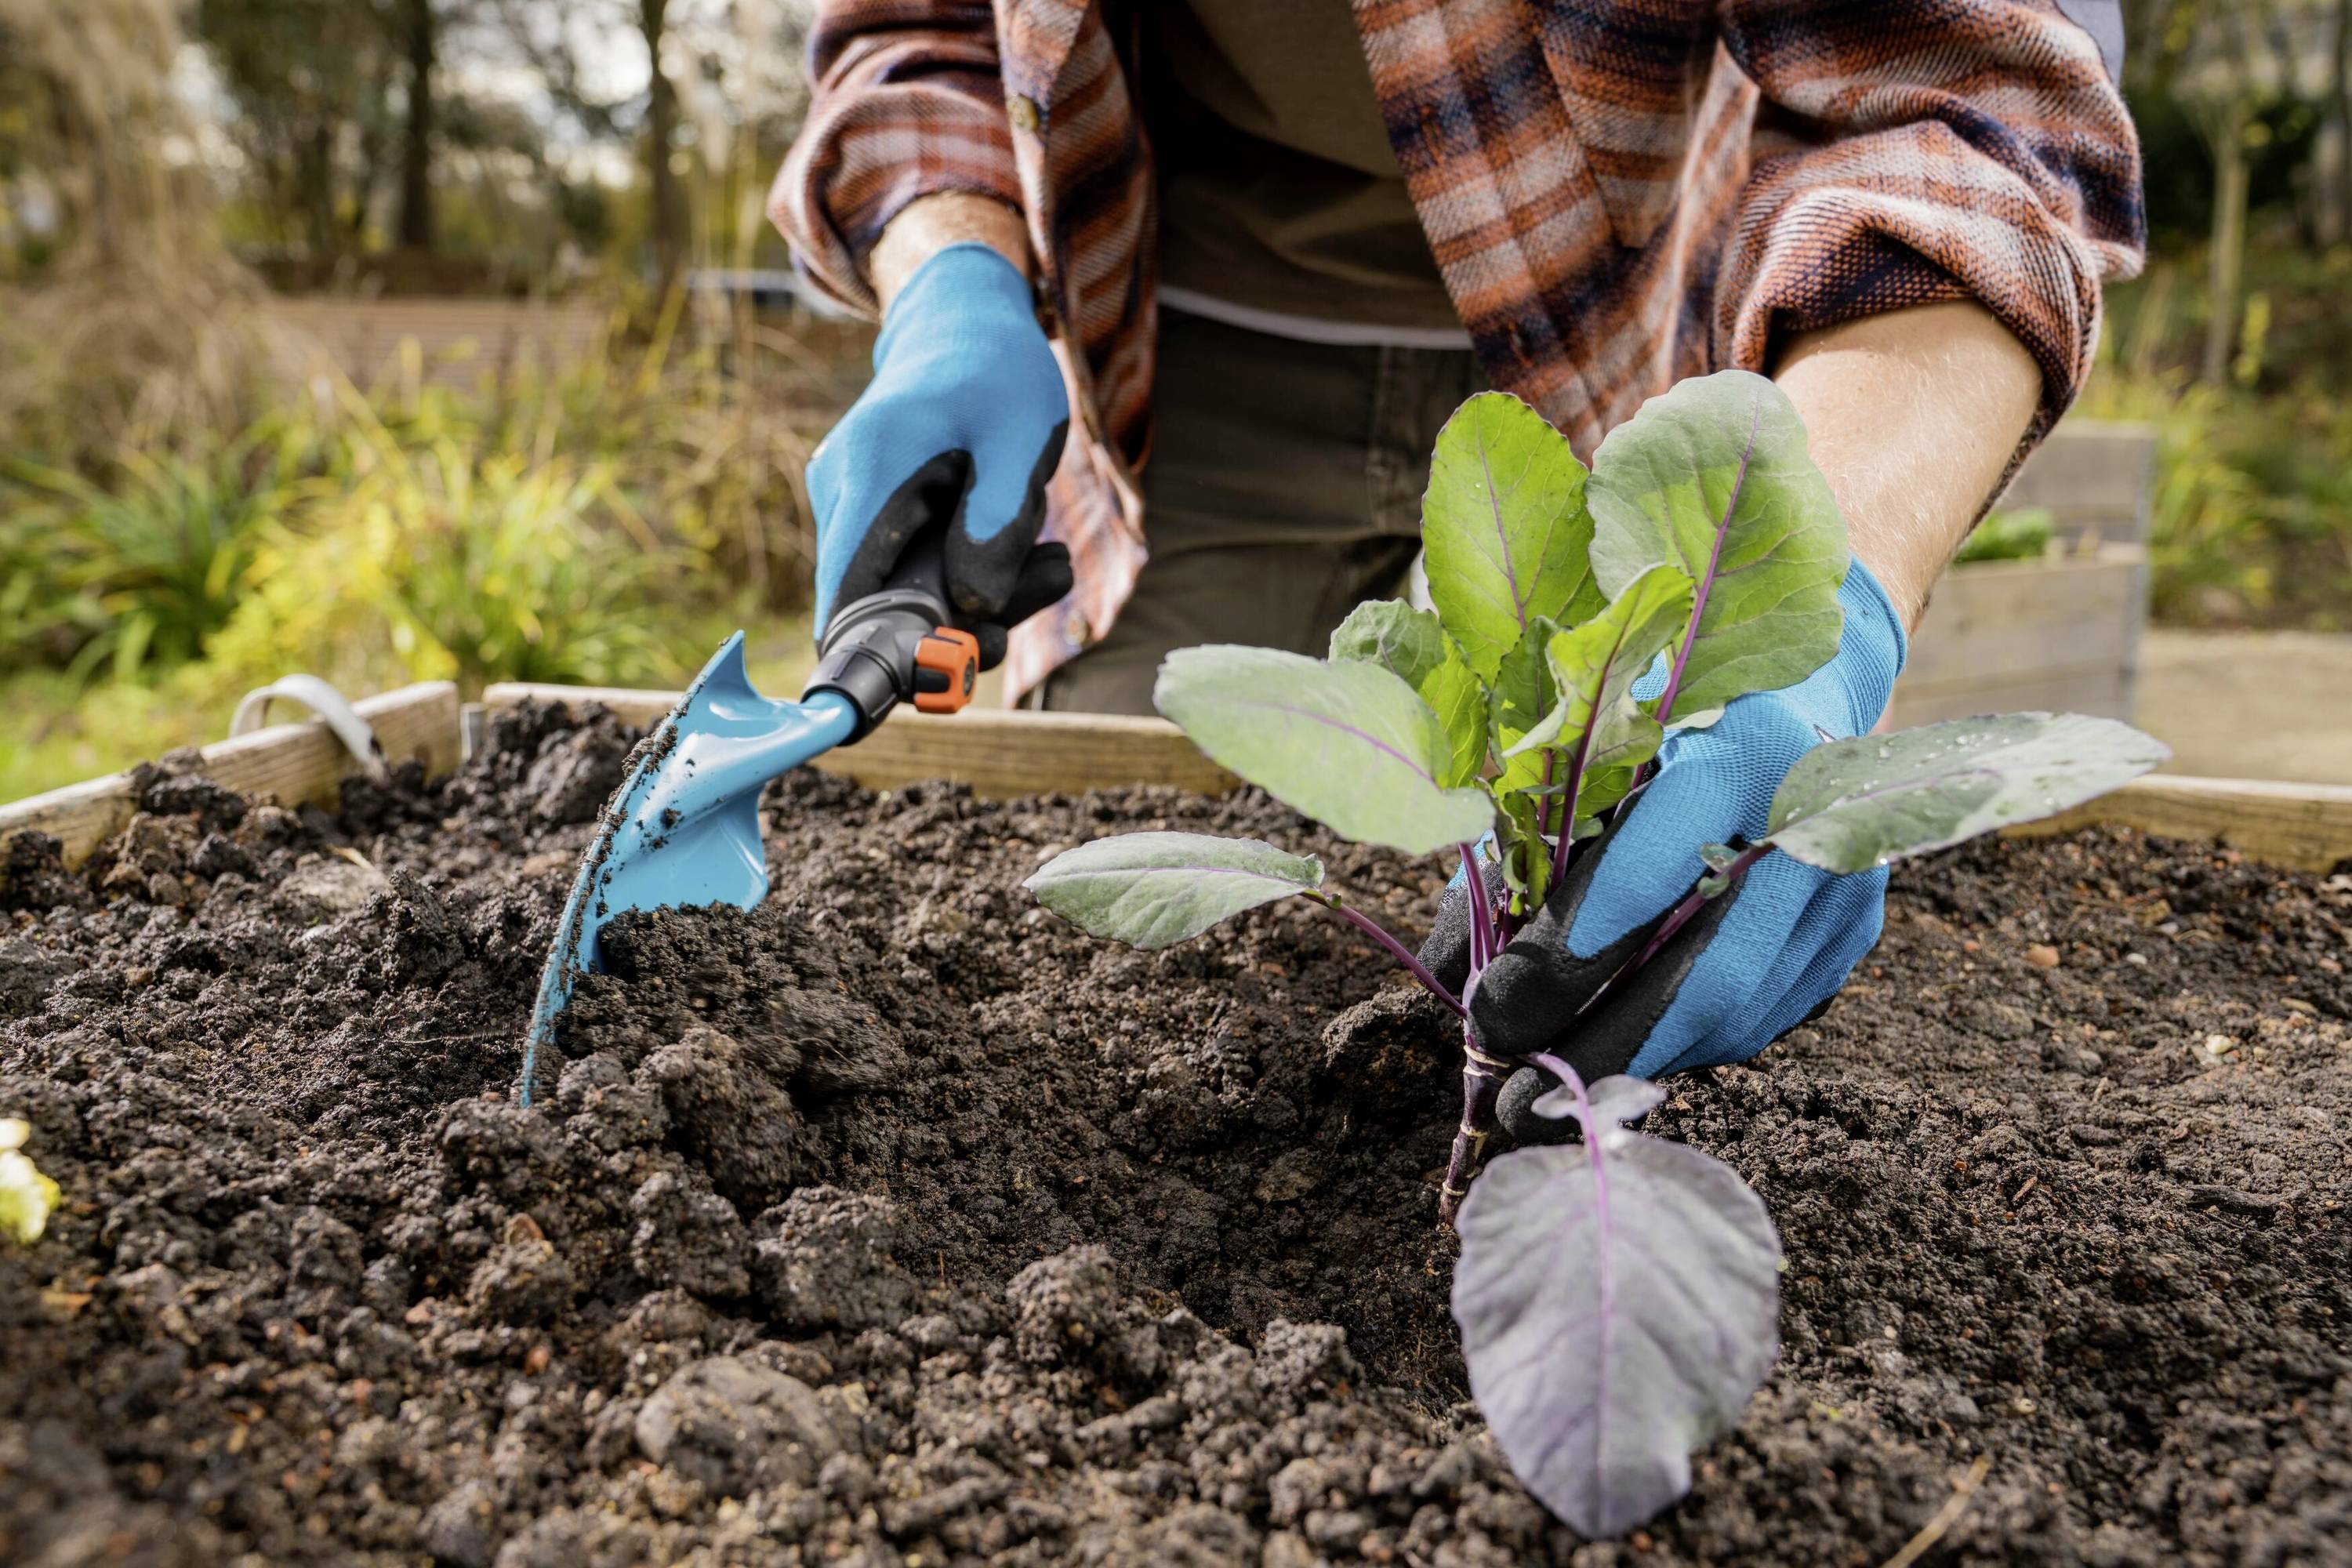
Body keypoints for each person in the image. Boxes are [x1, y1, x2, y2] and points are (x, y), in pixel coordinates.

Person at [770, 1, 2142, 1097]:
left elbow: (1974, 108)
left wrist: (1824, 589)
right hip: (1187, 356)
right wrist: (950, 287)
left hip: (1619, 329)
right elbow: (920, 31)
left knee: (1666, 822)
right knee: (1109, 871)